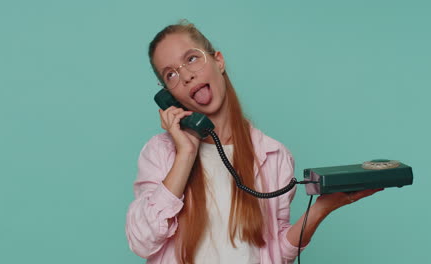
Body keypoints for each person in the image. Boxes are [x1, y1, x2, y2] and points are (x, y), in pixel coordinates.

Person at [125, 20, 382, 264]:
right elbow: (141, 241)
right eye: (171, 75)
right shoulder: (160, 153)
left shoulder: (273, 155)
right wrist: (185, 154)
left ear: (219, 61)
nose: (186, 77)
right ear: (168, 96)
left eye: (192, 59)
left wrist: (319, 211)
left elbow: (276, 254)